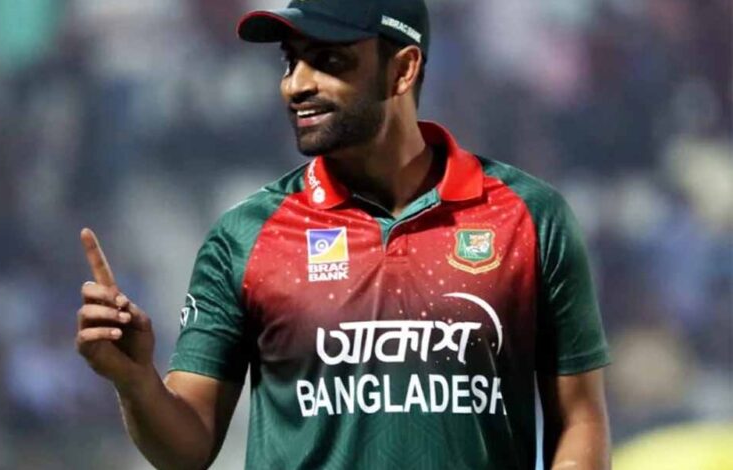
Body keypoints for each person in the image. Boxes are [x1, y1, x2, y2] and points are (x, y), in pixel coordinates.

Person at [76, 0, 612, 468]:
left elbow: (579, 419)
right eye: (291, 61)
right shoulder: (245, 236)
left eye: (329, 61)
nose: (296, 84)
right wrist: (137, 381)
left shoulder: (528, 217)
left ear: (402, 70)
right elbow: (187, 449)